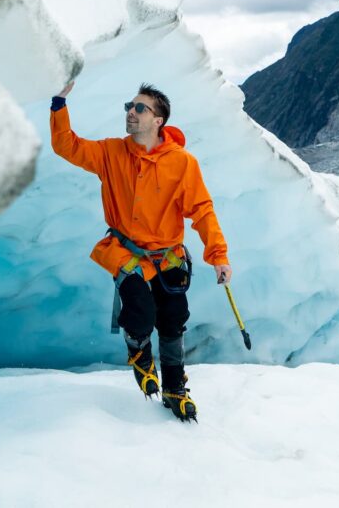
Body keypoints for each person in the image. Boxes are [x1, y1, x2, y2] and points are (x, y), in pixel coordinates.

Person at [50, 81, 232, 422]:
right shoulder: (110, 152)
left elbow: (202, 210)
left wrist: (218, 255)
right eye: (129, 107)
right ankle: (139, 353)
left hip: (169, 255)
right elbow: (66, 145)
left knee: (173, 320)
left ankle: (175, 387)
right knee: (140, 310)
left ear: (158, 120)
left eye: (139, 108)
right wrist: (59, 102)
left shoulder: (182, 163)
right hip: (126, 251)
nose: (130, 113)